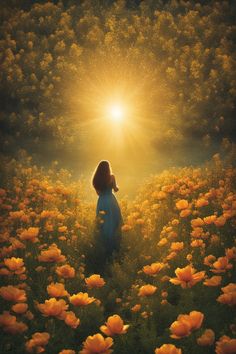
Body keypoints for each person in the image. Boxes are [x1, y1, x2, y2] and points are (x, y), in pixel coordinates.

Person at [92, 160, 123, 258]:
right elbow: (115, 189)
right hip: (111, 201)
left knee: (104, 223)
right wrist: (116, 187)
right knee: (114, 222)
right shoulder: (112, 177)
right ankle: (115, 247)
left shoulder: (96, 179)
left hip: (102, 202)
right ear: (108, 168)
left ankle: (105, 246)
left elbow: (98, 193)